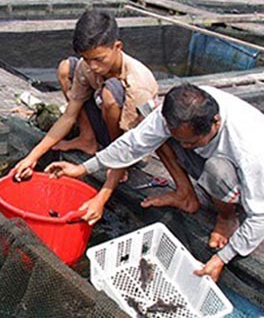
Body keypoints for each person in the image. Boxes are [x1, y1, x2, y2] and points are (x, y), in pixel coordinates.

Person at [45, 84, 264, 281]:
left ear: (216, 122)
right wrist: (83, 168)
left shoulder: (249, 148)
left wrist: (222, 258)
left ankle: (227, 216)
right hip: (206, 160)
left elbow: (260, 216)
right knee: (151, 125)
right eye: (182, 141)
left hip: (246, 185)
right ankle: (185, 194)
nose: (185, 147)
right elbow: (133, 144)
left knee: (218, 171)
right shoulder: (179, 113)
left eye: (192, 142)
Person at [13, 8, 158, 195]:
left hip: (128, 142)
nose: (93, 66)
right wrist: (32, 158)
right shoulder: (88, 66)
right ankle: (87, 138)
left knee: (110, 94)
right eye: (87, 59)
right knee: (66, 68)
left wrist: (114, 170)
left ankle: (113, 158)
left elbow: (134, 140)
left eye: (99, 59)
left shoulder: (138, 82)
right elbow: (68, 116)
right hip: (104, 124)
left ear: (118, 47)